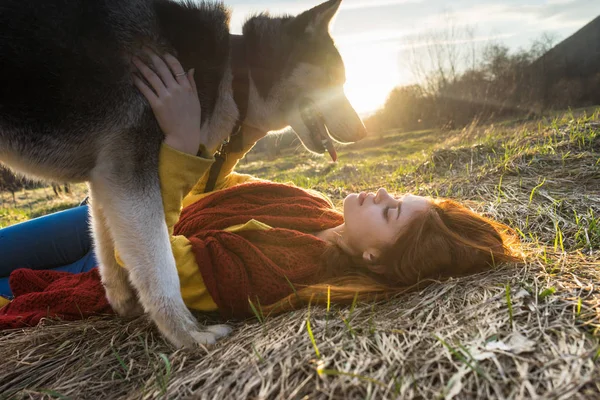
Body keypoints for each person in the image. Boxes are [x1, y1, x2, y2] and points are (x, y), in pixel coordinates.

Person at [0, 52, 522, 323]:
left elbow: (160, 268)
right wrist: (246, 130)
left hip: (109, 261)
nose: (383, 196)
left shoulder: (282, 273)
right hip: (117, 211)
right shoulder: (316, 211)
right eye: (398, 197)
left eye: (391, 215)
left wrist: (183, 139)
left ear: (372, 259)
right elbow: (213, 192)